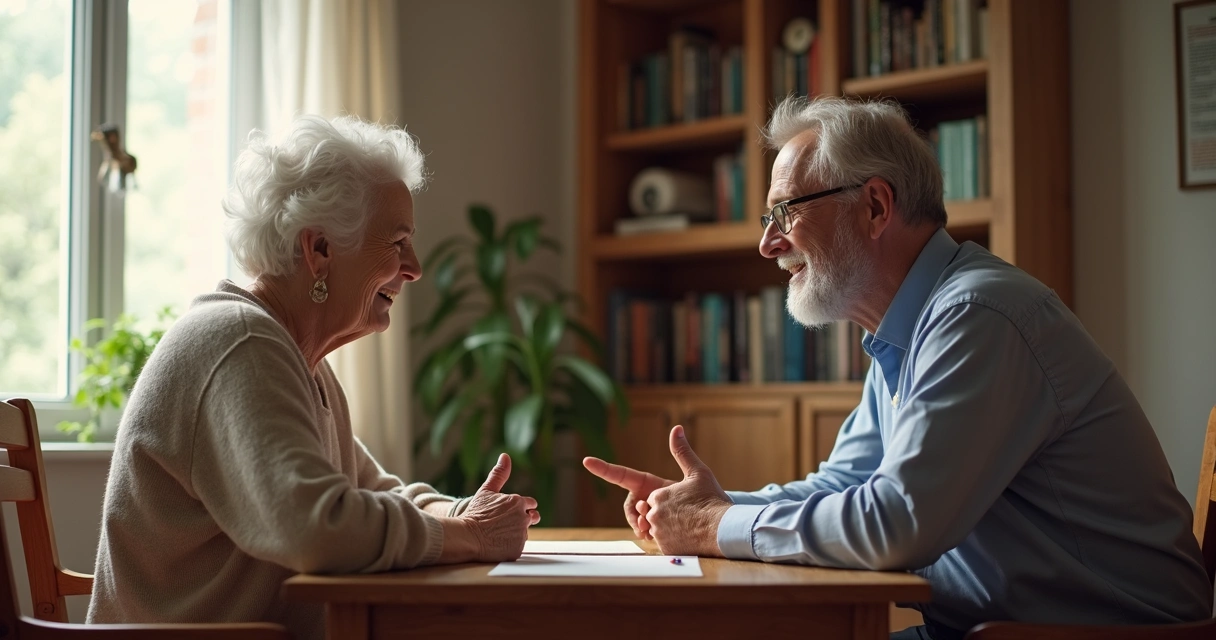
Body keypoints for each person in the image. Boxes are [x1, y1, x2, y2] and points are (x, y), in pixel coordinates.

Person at [583, 96, 1213, 640]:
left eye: (785, 213)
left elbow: (895, 524)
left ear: (876, 207)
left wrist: (716, 525)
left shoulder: (977, 314)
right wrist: (703, 506)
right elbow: (843, 489)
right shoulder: (908, 328)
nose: (767, 244)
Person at [87, 115, 539, 640]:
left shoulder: (295, 358)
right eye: (396, 242)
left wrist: (465, 514)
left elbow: (375, 493)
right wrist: (468, 536)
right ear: (318, 250)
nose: (414, 267)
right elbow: (320, 529)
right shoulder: (241, 344)